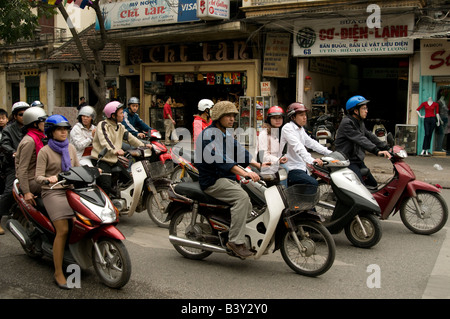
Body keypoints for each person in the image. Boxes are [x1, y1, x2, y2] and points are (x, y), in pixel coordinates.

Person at [195, 101, 269, 258]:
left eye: (233, 116)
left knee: (250, 199)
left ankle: (235, 228)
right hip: (213, 180)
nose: (232, 119)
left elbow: (238, 150)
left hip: (225, 177)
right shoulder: (207, 135)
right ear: (218, 117)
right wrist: (244, 173)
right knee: (241, 198)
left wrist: (258, 164)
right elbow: (220, 160)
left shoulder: (225, 133)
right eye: (228, 115)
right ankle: (235, 241)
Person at [35, 114, 80, 289]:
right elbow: (37, 177)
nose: (63, 132)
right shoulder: (44, 151)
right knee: (63, 229)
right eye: (60, 129)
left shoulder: (70, 148)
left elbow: (77, 168)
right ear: (51, 132)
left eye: (65, 129)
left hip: (71, 190)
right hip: (52, 192)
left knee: (83, 222)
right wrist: (48, 179)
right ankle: (58, 272)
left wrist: (91, 170)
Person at [91, 101, 149, 197]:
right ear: (113, 115)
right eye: (121, 113)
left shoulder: (120, 126)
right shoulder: (103, 125)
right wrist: (115, 150)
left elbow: (130, 138)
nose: (123, 115)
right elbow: (105, 141)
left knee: (129, 181)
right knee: (106, 186)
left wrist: (144, 145)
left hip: (113, 160)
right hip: (101, 160)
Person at [335, 95, 391, 187]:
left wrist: (386, 147)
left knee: (373, 184)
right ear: (356, 111)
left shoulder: (359, 122)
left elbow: (369, 135)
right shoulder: (347, 123)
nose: (367, 111)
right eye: (364, 108)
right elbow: (360, 139)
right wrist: (376, 151)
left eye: (366, 108)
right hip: (347, 161)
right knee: (360, 188)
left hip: (357, 160)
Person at [280, 102, 332, 188]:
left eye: (305, 115)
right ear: (293, 117)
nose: (305, 117)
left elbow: (311, 143)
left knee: (325, 176)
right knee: (313, 183)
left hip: (302, 166)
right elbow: (298, 147)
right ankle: (303, 202)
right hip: (291, 168)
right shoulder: (288, 128)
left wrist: (330, 153)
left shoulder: (300, 129)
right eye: (301, 115)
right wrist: (311, 160)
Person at [0, 102, 29, 235]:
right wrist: (13, 153)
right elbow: (5, 144)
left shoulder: (32, 128)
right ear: (15, 116)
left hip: (32, 164)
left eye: (26, 114)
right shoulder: (9, 129)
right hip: (14, 165)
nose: (24, 117)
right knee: (8, 192)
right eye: (21, 114)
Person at [15, 106, 48, 207]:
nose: (45, 123)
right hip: (31, 180)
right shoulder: (29, 141)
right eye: (43, 121)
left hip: (39, 175)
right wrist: (26, 192)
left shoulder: (40, 137)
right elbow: (22, 168)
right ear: (35, 124)